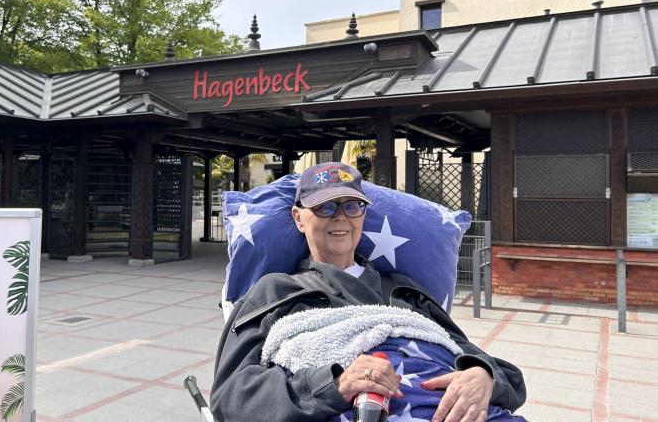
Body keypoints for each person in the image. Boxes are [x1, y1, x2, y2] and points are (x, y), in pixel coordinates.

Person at [210, 162, 526, 422]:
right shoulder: (274, 291)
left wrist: (483, 376)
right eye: (324, 207)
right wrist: (335, 384)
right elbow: (230, 398)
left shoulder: (405, 290)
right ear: (299, 218)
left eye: (352, 206)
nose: (340, 217)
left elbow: (499, 372)